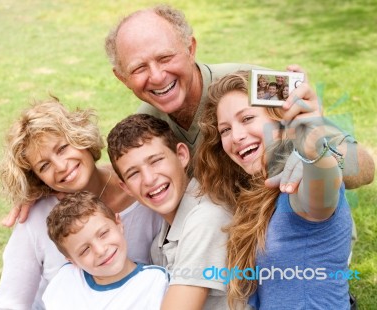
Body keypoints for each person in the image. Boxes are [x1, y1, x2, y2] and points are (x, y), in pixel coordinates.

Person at [104, 4, 374, 191]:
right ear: (122, 78)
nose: (158, 76)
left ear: (191, 49)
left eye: (165, 57)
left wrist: (316, 137)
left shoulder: (258, 86)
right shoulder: (144, 127)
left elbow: (363, 168)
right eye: (139, 68)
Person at [194, 70, 356, 309]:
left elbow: (321, 195)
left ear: (280, 119)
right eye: (225, 130)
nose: (236, 136)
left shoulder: (299, 184)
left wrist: (314, 149)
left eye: (247, 118)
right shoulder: (258, 190)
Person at [0, 99, 162, 310]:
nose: (61, 167)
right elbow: (10, 303)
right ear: (39, 178)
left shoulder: (143, 191)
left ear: (81, 138)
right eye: (44, 165)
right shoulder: (38, 215)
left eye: (62, 148)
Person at [107, 114, 232, 310]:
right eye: (133, 173)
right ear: (126, 188)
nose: (149, 179)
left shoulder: (207, 218)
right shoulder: (158, 244)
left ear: (181, 155)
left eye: (155, 161)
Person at [43, 191, 168, 309]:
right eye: (85, 250)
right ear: (72, 261)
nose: (100, 251)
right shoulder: (66, 280)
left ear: (118, 224)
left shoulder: (156, 282)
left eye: (103, 234)